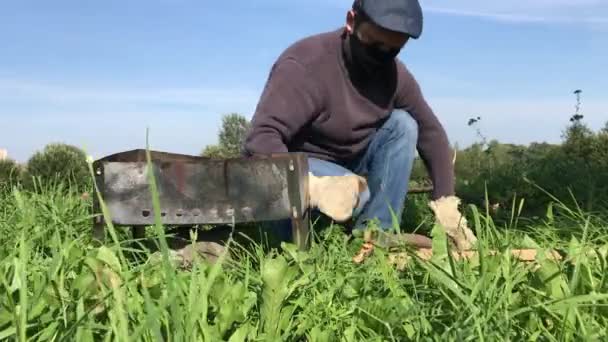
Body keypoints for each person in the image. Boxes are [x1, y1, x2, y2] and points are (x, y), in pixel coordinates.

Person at [242, 0, 477, 250]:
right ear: (351, 21)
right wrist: (309, 184)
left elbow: (431, 133)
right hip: (302, 164)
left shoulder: (394, 76)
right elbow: (262, 137)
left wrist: (446, 204)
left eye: (391, 49)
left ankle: (376, 235)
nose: (381, 55)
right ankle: (299, 237)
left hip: (349, 164)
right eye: (373, 44)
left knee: (403, 125)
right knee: (357, 191)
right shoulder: (306, 65)